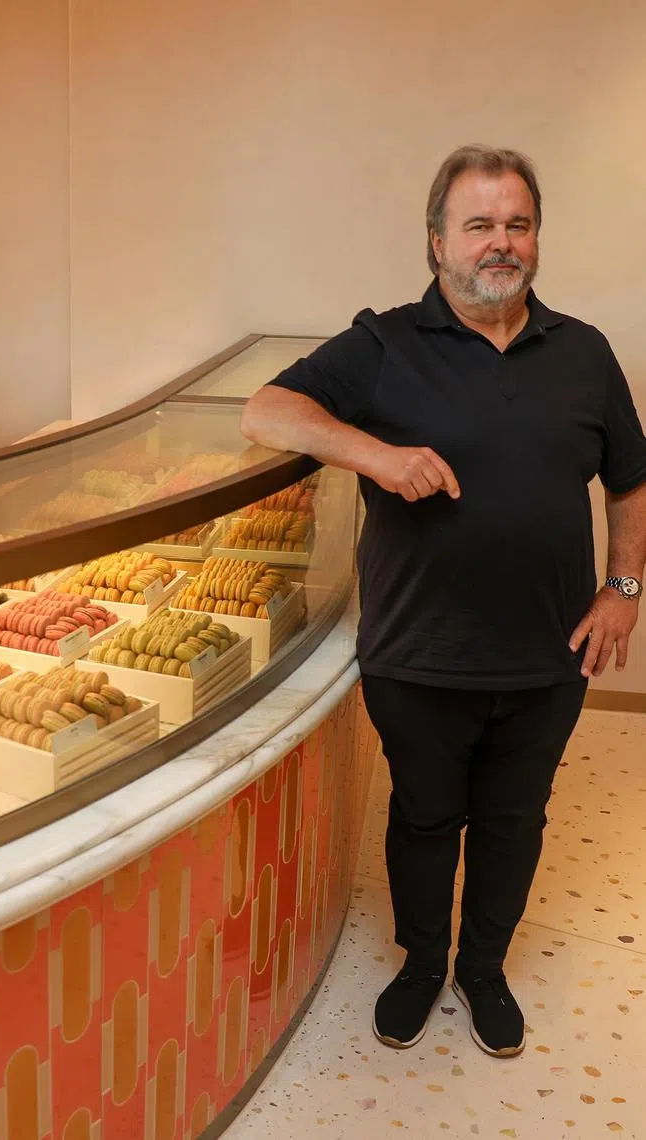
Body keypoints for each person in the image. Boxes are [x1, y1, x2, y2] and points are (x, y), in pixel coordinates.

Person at [240, 144, 646, 1058]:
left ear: (535, 238)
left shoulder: (584, 352)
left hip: (552, 654)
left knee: (515, 819)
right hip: (417, 653)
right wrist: (377, 456)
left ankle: (484, 966)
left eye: (517, 224)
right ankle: (423, 962)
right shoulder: (384, 343)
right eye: (479, 226)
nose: (500, 243)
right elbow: (266, 411)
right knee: (424, 818)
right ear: (437, 244)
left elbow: (631, 480)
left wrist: (623, 589)